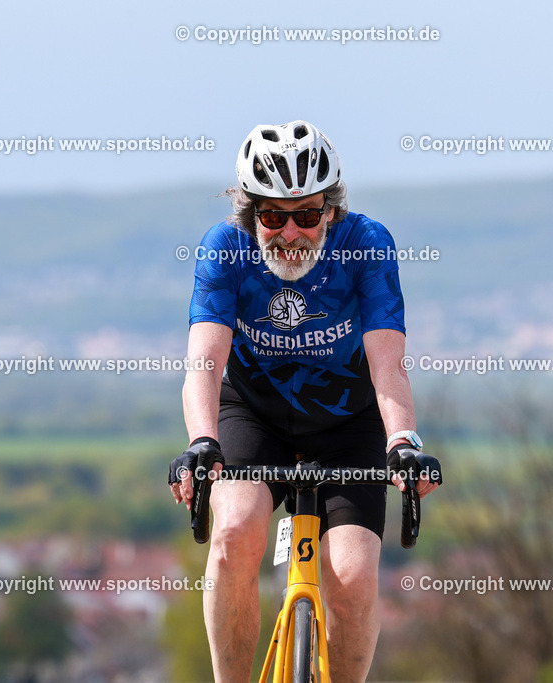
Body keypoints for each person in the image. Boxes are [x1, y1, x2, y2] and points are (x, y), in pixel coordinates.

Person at [168, 120, 439, 683]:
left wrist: (404, 443)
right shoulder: (226, 248)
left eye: (307, 215)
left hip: (348, 419)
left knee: (354, 575)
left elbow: (388, 364)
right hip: (253, 413)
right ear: (250, 216)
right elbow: (204, 362)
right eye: (272, 216)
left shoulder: (366, 244)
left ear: (332, 210)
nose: (289, 232)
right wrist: (200, 441)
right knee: (234, 533)